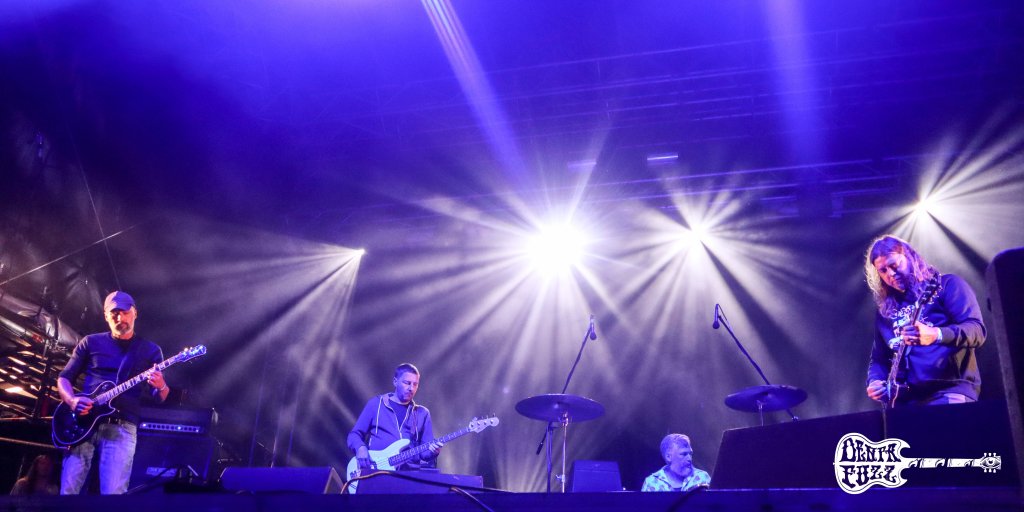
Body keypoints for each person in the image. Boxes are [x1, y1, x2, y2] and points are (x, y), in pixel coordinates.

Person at [57, 291, 169, 495]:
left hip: (122, 427)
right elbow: (64, 378)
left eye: (125, 312)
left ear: (135, 313)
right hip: (83, 423)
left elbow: (160, 397)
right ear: (106, 316)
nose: (120, 318)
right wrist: (72, 401)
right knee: (69, 491)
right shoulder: (90, 342)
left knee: (114, 495)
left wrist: (161, 385)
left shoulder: (150, 350)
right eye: (114, 313)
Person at [864, 235, 986, 406]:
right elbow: (879, 358)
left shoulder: (946, 285)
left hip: (948, 389)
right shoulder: (885, 310)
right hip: (904, 400)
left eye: (894, 265)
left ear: (910, 257)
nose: (890, 273)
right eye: (883, 270)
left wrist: (936, 334)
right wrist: (875, 381)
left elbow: (977, 330)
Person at [347, 363, 443, 472]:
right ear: (395, 381)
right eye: (407, 383)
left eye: (415, 384)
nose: (411, 388)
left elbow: (424, 454)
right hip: (376, 470)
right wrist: (360, 448)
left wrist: (433, 451)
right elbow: (354, 434)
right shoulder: (376, 404)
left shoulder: (423, 413)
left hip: (409, 473)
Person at [641, 433, 711, 492]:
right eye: (683, 454)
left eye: (690, 454)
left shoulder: (702, 478)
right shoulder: (652, 482)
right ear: (668, 457)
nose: (689, 459)